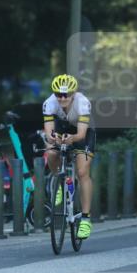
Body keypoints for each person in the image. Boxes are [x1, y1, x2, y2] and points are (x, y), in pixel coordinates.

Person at [42, 74, 96, 239]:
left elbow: (80, 134)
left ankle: (86, 219)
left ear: (73, 93)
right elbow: (49, 132)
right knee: (51, 152)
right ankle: (61, 181)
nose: (62, 98)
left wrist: (71, 139)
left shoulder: (83, 103)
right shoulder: (49, 103)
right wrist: (54, 139)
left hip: (83, 132)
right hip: (62, 126)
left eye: (66, 95)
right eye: (58, 94)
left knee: (82, 172)